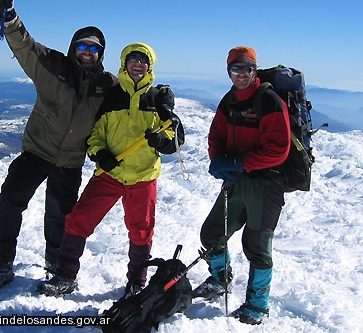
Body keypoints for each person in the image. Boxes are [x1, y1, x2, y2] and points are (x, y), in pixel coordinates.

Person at [0, 0, 117, 294]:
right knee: (7, 205)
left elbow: (134, 97)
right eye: (82, 45)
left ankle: (57, 266)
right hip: (37, 152)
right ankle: (1, 265)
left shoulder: (107, 85)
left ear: (101, 53)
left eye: (94, 48)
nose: (87, 52)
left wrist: (158, 99)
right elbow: (25, 47)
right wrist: (10, 16)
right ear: (73, 47)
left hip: (69, 161)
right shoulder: (53, 66)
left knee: (61, 216)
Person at [36, 42, 185, 296]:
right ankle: (65, 276)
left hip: (142, 177)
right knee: (78, 220)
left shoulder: (157, 100)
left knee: (141, 231)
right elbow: (95, 135)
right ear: (124, 63)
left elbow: (176, 138)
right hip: (110, 174)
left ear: (150, 65)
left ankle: (136, 283)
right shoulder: (112, 95)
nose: (137, 64)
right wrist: (100, 155)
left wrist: (162, 140)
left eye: (143, 60)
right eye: (132, 59)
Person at [192, 46, 291, 325]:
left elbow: (279, 149)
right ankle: (220, 280)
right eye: (236, 69)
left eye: (247, 68)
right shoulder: (230, 100)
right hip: (238, 181)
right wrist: (218, 161)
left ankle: (257, 307)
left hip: (266, 184)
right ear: (229, 72)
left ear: (254, 70)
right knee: (212, 233)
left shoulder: (269, 100)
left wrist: (237, 163)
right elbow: (216, 135)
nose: (241, 74)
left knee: (256, 246)